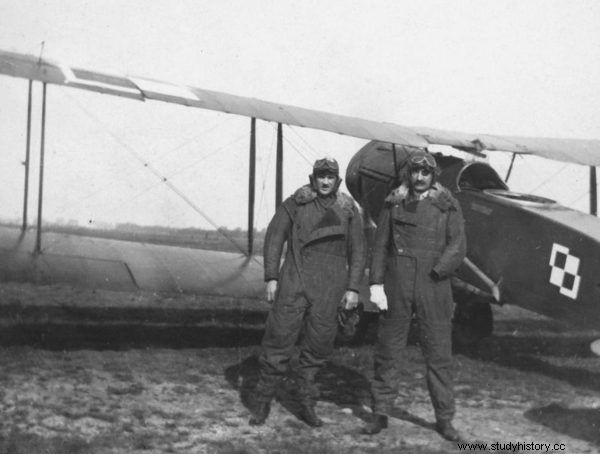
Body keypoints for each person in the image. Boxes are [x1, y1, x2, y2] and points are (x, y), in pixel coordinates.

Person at [248, 157, 367, 427]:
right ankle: (262, 402)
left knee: (318, 346)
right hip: (294, 280)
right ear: (313, 177)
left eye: (330, 177)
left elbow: (359, 250)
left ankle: (306, 403)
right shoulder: (296, 203)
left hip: (330, 286)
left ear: (337, 180)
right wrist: (271, 277)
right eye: (320, 176)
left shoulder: (348, 209)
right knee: (278, 341)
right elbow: (274, 238)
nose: (325, 181)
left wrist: (352, 288)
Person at [364, 150, 467, 440]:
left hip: (434, 287)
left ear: (433, 175)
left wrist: (437, 272)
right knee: (388, 351)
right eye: (414, 172)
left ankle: (445, 419)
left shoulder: (447, 205)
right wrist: (376, 284)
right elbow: (381, 245)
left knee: (439, 355)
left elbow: (458, 246)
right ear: (408, 174)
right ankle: (380, 412)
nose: (419, 177)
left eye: (425, 172)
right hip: (397, 287)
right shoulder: (394, 202)